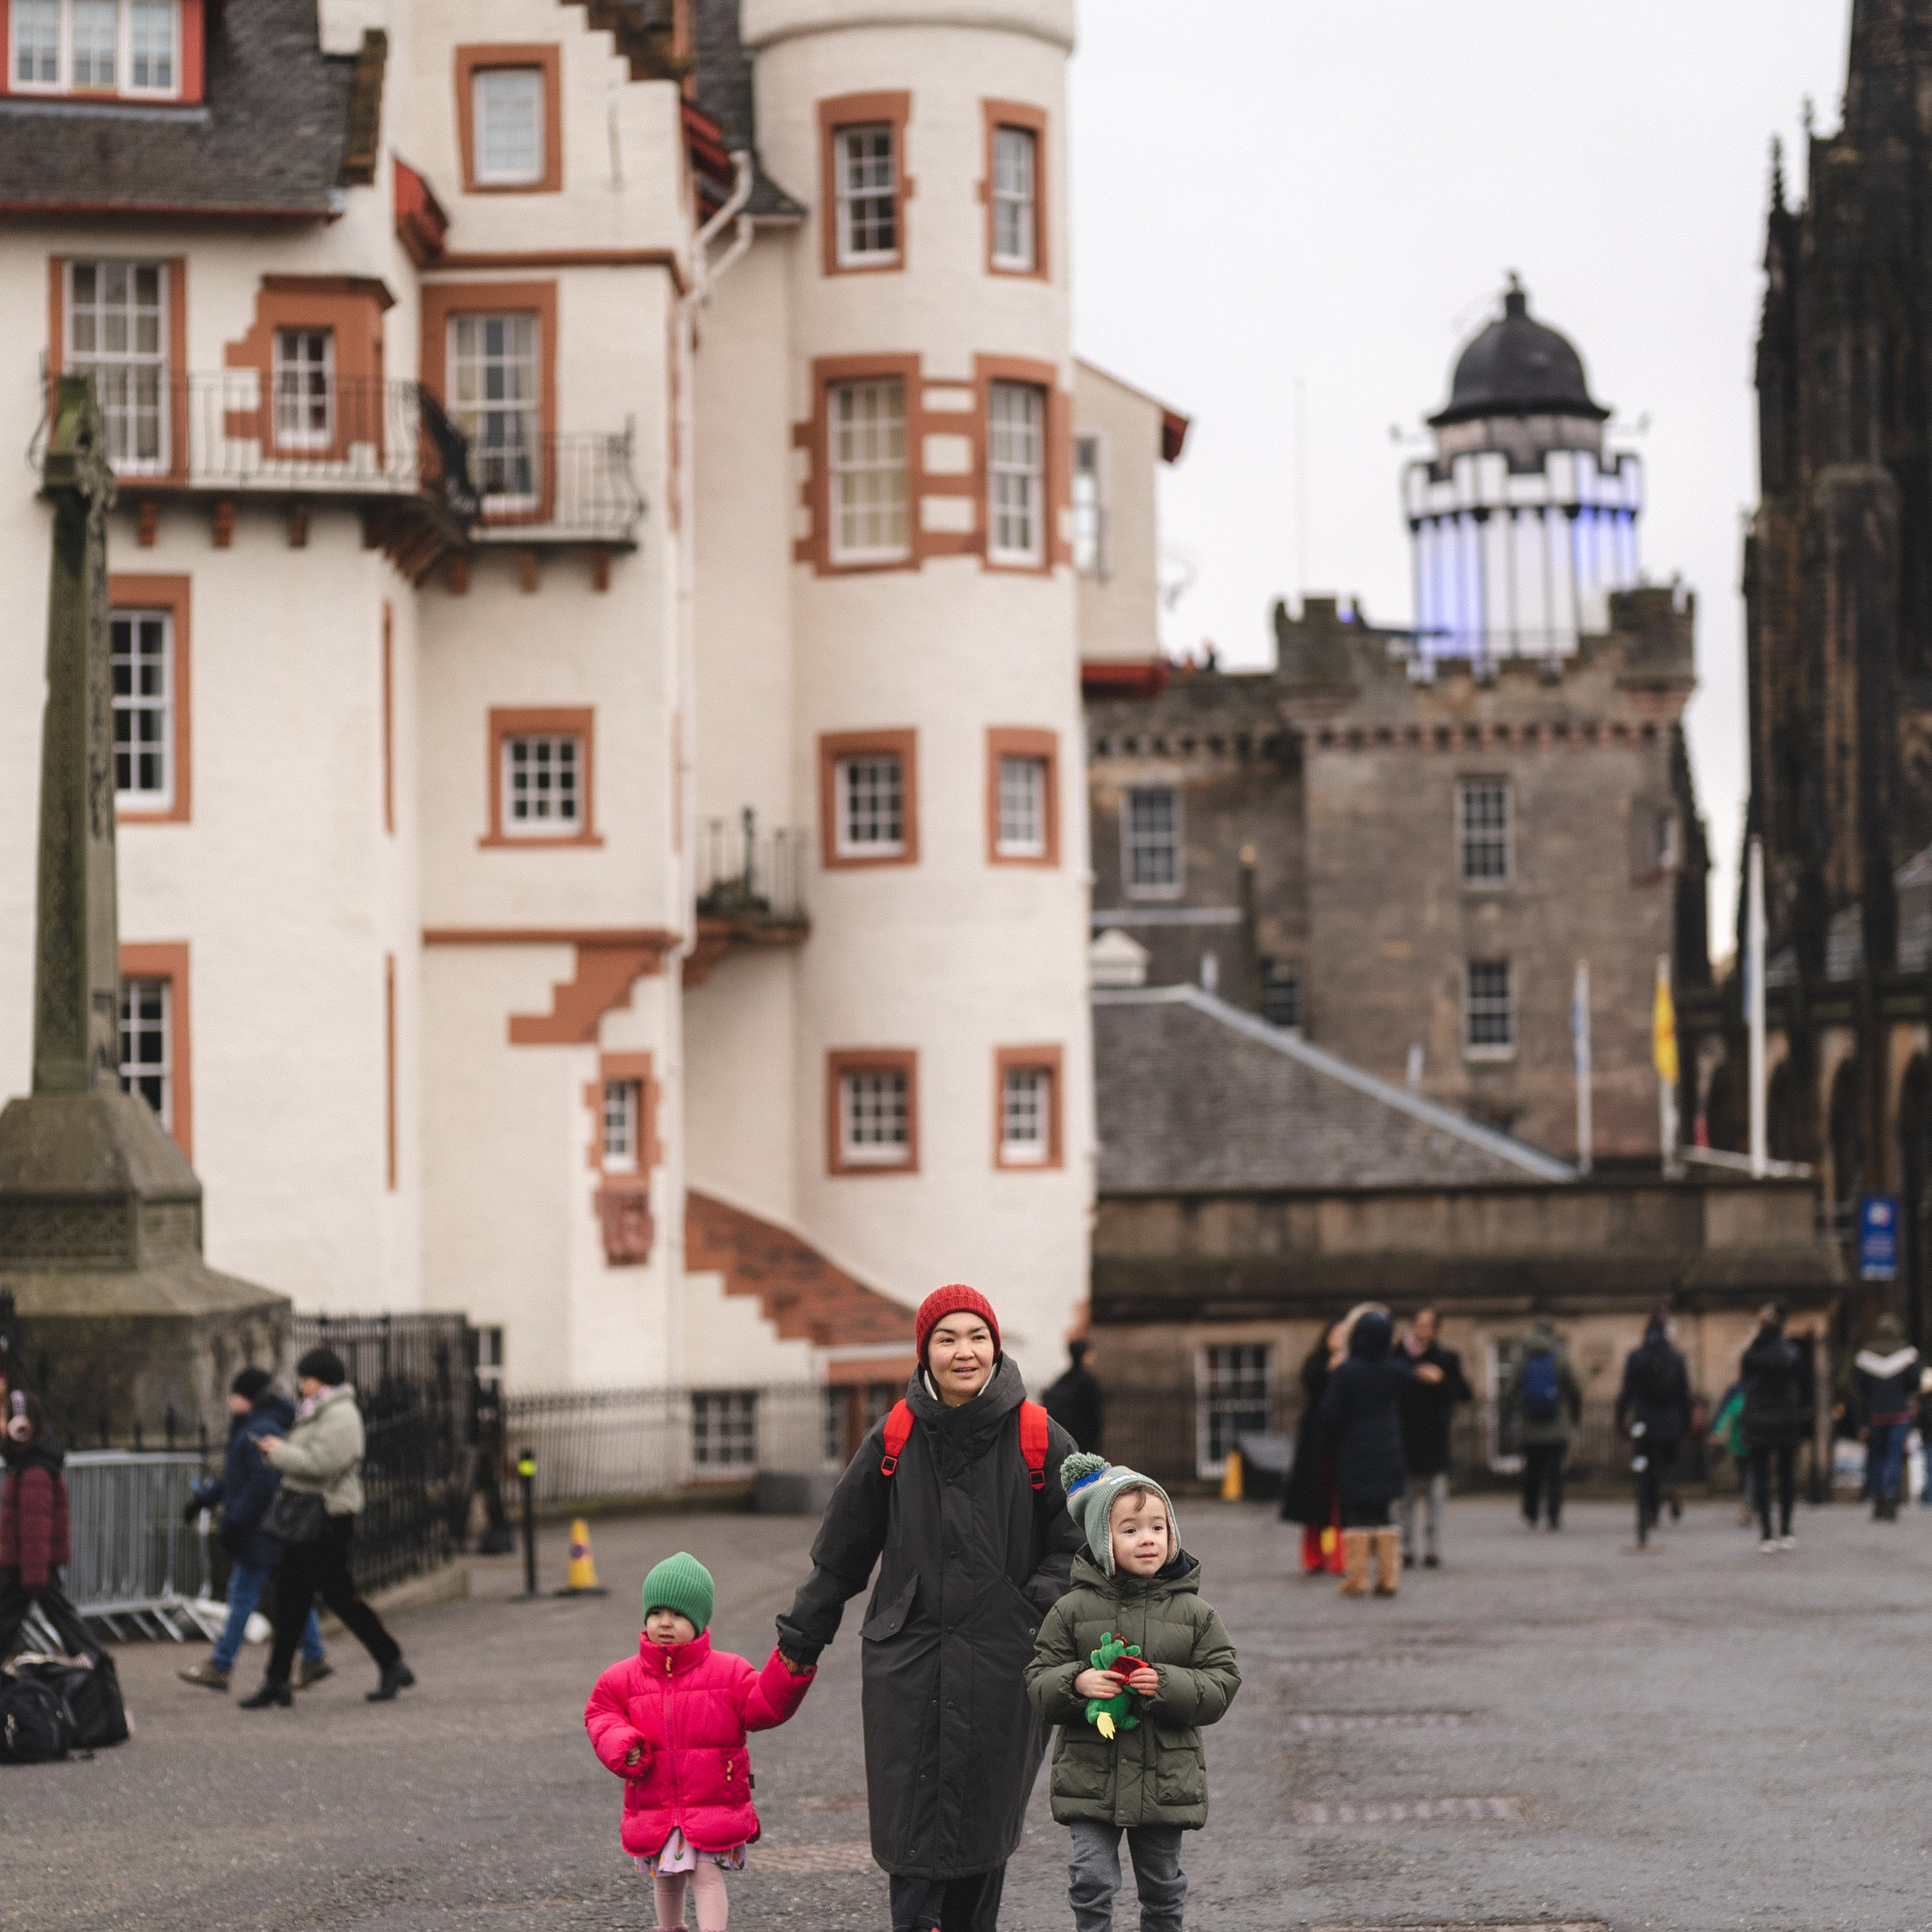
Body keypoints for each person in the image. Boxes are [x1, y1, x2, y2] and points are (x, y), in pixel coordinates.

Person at [775, 1284, 1082, 1932]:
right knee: (910, 1825)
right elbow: (842, 1552)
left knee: (983, 1825)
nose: (963, 1352)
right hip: (907, 1659)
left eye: (977, 1337)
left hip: (1005, 1661)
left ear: (995, 1347)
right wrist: (801, 1639)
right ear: (925, 1352)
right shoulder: (894, 1435)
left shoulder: (1038, 1435)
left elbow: (1081, 1540)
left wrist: (1030, 1608)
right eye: (947, 1339)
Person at [1025, 1452, 1240, 1932]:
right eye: (1130, 1529)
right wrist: (1076, 1681)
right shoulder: (1071, 1610)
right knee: (1091, 1879)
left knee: (1162, 1886)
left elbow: (1222, 1682)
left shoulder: (1196, 1614)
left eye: (1158, 1527)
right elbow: (1038, 1680)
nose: (1147, 1539)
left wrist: (1166, 1683)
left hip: (1165, 1776)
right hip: (1090, 1774)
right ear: (1103, 1541)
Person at [586, 1551, 815, 1930]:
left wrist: (789, 1668)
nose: (664, 1622)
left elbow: (765, 1706)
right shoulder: (621, 1677)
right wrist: (622, 1743)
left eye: (678, 1614)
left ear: (699, 1620)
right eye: (656, 1612)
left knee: (706, 1875)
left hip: (711, 1800)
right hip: (656, 1801)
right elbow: (600, 1714)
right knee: (666, 1877)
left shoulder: (729, 1672)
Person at [241, 1346, 413, 1708]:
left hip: (327, 1517)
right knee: (296, 1597)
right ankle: (278, 1680)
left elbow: (322, 1463)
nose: (301, 1386)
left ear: (322, 1380)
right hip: (314, 1515)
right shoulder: (319, 1411)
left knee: (331, 1596)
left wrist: (278, 1452)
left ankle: (390, 1662)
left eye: (306, 1379)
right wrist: (279, 1451)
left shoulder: (340, 1415)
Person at [178, 1368, 329, 1692]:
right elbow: (236, 1479)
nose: (230, 1400)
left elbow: (261, 1484)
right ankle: (314, 1656)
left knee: (242, 1597)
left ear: (249, 1397)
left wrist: (236, 1520)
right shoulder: (254, 1426)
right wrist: (204, 1500)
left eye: (236, 1394)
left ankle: (221, 1664)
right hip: (267, 1530)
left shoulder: (259, 1429)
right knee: (290, 1593)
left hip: (259, 1532)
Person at [1318, 1309, 1417, 1597]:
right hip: (1388, 1446)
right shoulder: (1394, 1370)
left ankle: (1358, 1577)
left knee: (1356, 1514)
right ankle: (1388, 1577)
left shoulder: (1347, 1371)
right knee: (1384, 1514)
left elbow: (1330, 1412)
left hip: (1356, 1448)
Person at [0, 1392, 95, 1660]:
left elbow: (35, 1526)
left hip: (26, 1564)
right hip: (25, 1562)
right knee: (60, 1619)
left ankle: (97, 1666)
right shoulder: (27, 1463)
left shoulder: (33, 1469)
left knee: (63, 1621)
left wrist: (34, 1574)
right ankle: (96, 1665)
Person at [1395, 1307, 1470, 1570]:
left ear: (1435, 1330)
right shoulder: (1397, 1357)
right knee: (1404, 1497)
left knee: (1435, 1498)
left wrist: (1440, 1379)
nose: (1421, 1329)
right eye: (1418, 1324)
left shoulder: (1446, 1359)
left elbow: (1465, 1393)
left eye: (1427, 1325)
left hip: (1434, 1437)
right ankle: (1406, 1547)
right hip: (1404, 1436)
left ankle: (1433, 1547)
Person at [1615, 1310, 1693, 1546]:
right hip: (1671, 1419)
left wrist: (1620, 1418)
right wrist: (1686, 1420)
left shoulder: (1636, 1357)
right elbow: (1684, 1393)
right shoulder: (1676, 1357)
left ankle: (1650, 1511)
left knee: (1646, 1466)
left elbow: (1627, 1392)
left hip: (1645, 1420)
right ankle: (1670, 1484)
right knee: (1670, 1460)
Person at [1500, 1318, 1583, 1530]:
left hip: (1530, 1427)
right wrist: (1574, 1416)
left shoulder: (1523, 1357)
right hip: (1557, 1427)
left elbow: (1510, 1390)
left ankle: (1531, 1512)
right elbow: (1575, 1388)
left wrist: (1505, 1414)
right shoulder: (1559, 1357)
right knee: (1554, 1474)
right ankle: (1553, 1514)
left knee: (1532, 1471)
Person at [1740, 1302, 1809, 1552]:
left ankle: (1767, 1534)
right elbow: (1804, 1387)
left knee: (1761, 1476)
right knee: (1787, 1474)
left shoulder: (1751, 1354)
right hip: (1786, 1418)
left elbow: (1745, 1383)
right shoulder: (1793, 1353)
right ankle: (1786, 1530)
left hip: (1758, 1418)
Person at [1278, 1324, 1346, 1576]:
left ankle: (1340, 1557)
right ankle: (1314, 1557)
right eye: (1335, 1335)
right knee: (1315, 1502)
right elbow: (1315, 1389)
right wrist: (1332, 1369)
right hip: (1316, 1444)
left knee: (1340, 1503)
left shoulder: (1352, 1365)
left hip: (1342, 1442)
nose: (1338, 1340)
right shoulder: (1316, 1363)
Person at [1851, 1312, 1921, 1521]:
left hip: (1876, 1414)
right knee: (1894, 1456)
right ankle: (1892, 1496)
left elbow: (1859, 1385)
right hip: (1899, 1413)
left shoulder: (1866, 1355)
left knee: (1877, 1456)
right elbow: (1915, 1382)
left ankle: (1878, 1498)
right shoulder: (1907, 1354)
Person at [1044, 1339, 1105, 1453]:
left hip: (1064, 1439)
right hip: (1083, 1440)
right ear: (1084, 1355)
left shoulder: (1063, 1379)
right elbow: (1093, 1416)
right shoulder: (1088, 1382)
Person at [1709, 1377, 1753, 1526]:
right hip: (1754, 1442)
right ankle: (1750, 1500)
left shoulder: (1736, 1390)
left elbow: (1725, 1413)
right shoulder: (1761, 1388)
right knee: (1753, 1473)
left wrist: (1717, 1431)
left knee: (1745, 1474)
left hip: (1738, 1442)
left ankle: (1747, 1500)